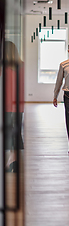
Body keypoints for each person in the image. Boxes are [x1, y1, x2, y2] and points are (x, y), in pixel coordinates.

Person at [4, 41, 24, 172]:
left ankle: (10, 161)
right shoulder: (21, 66)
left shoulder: (4, 67)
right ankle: (14, 161)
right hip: (18, 106)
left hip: (6, 106)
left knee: (8, 133)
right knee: (16, 133)